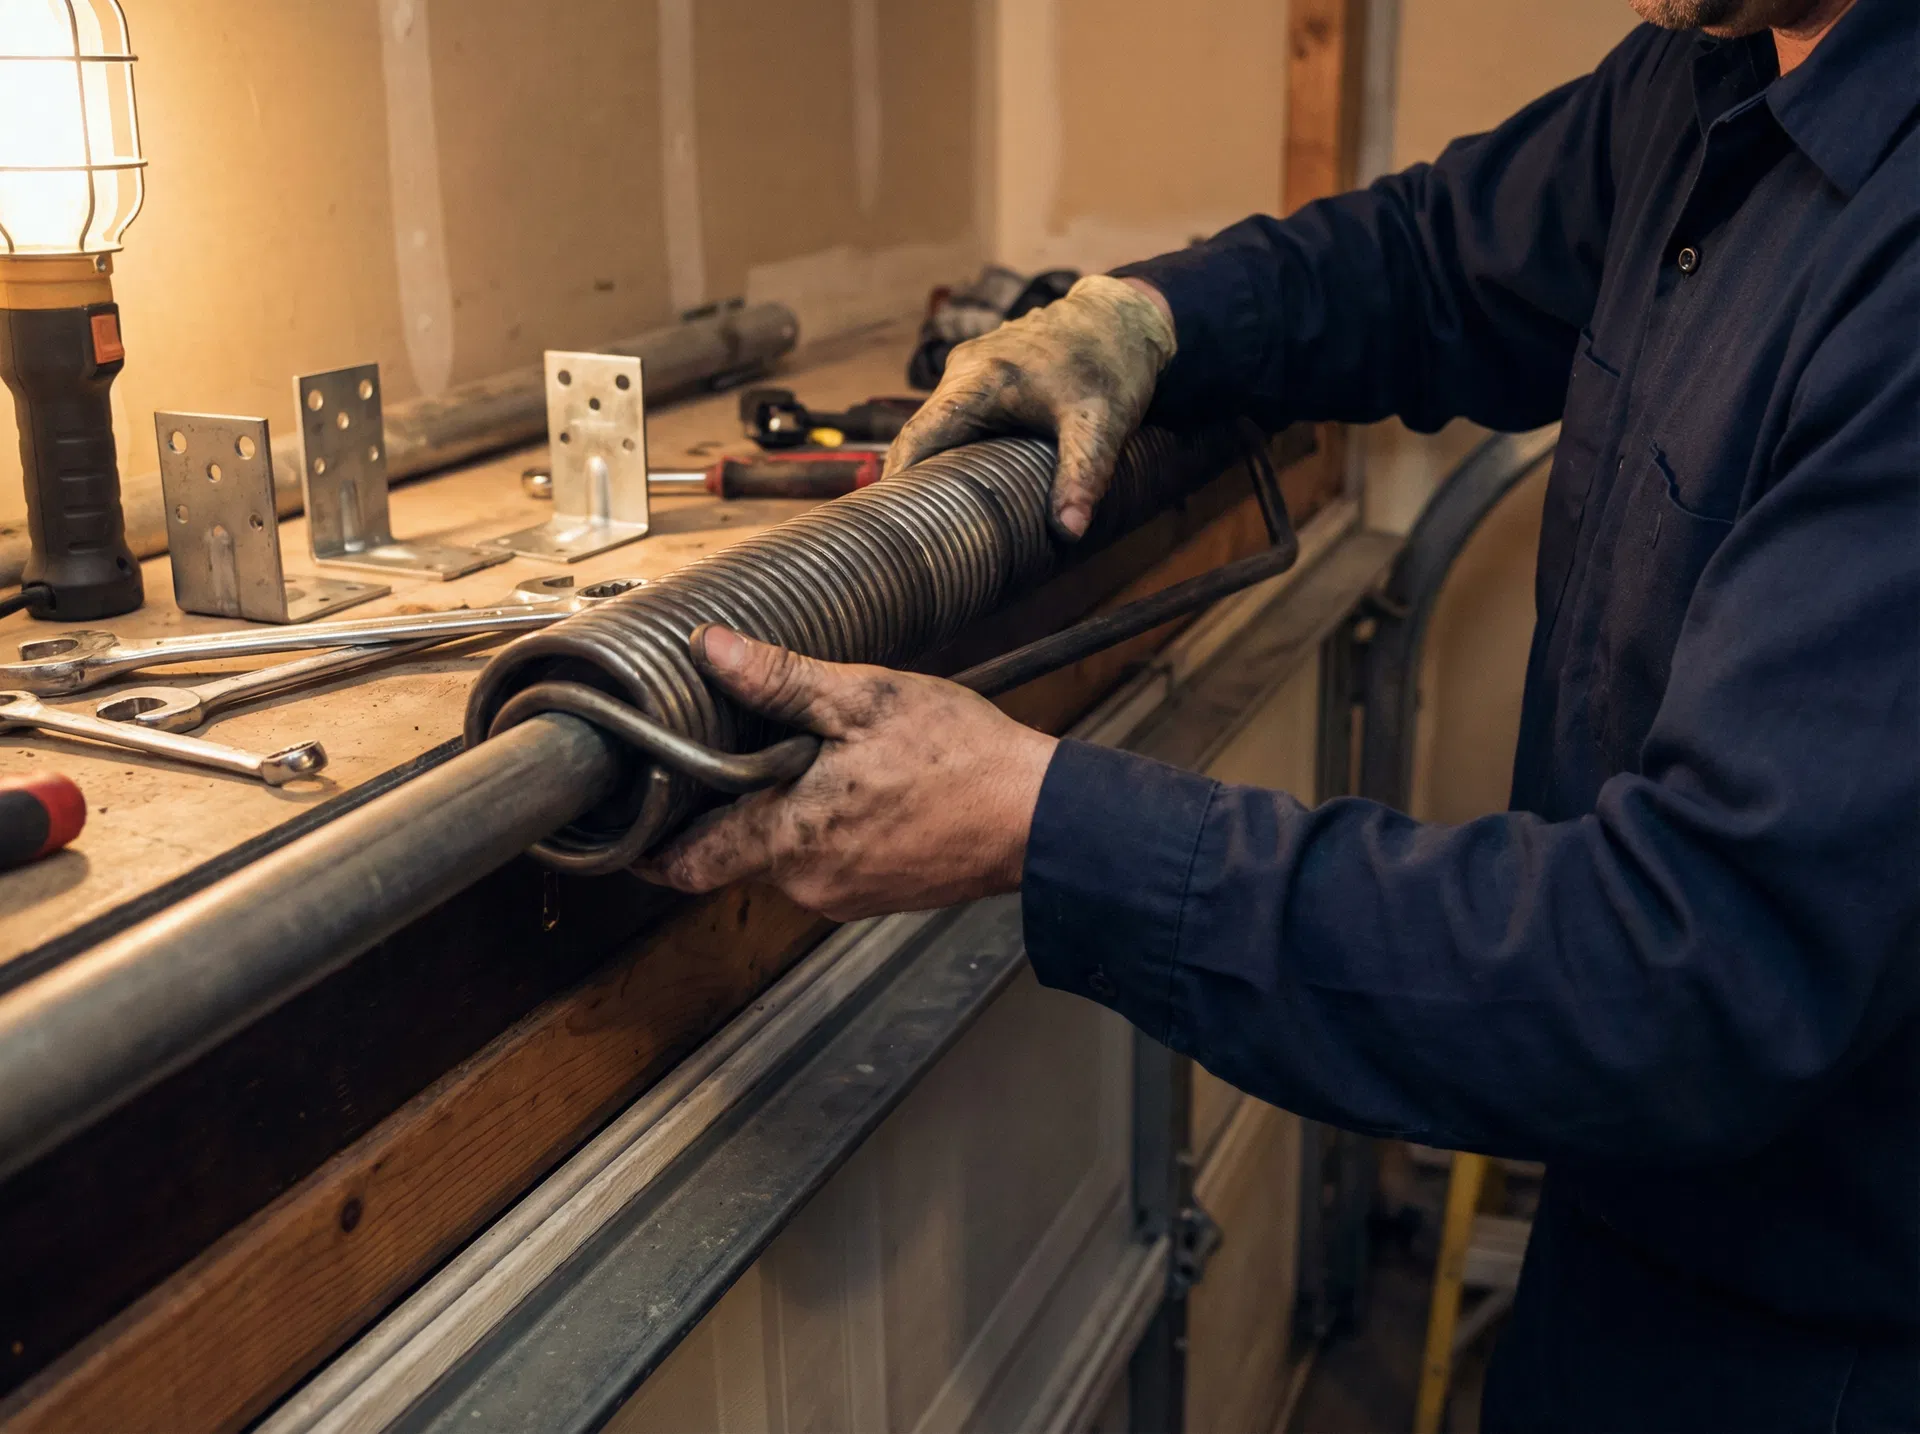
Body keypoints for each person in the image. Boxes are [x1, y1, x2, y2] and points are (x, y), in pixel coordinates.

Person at [641, 0, 1918, 1426]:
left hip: (1826, 1330)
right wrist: (1152, 317)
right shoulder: (1704, 71)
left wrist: (1044, 822)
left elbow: (1694, 971)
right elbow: (1437, 261)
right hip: (1625, 1220)